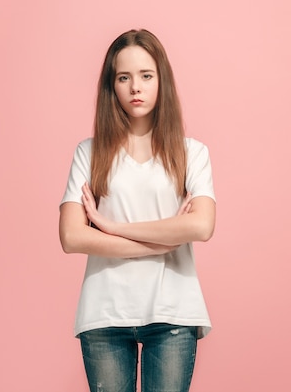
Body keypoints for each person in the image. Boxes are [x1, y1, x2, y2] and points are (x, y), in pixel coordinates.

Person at [59, 28, 216, 392]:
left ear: (162, 80)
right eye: (123, 77)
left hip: (173, 310)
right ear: (111, 86)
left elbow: (202, 226)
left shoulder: (192, 153)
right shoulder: (90, 152)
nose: (135, 87)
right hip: (104, 312)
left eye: (146, 76)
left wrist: (110, 228)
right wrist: (163, 241)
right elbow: (71, 236)